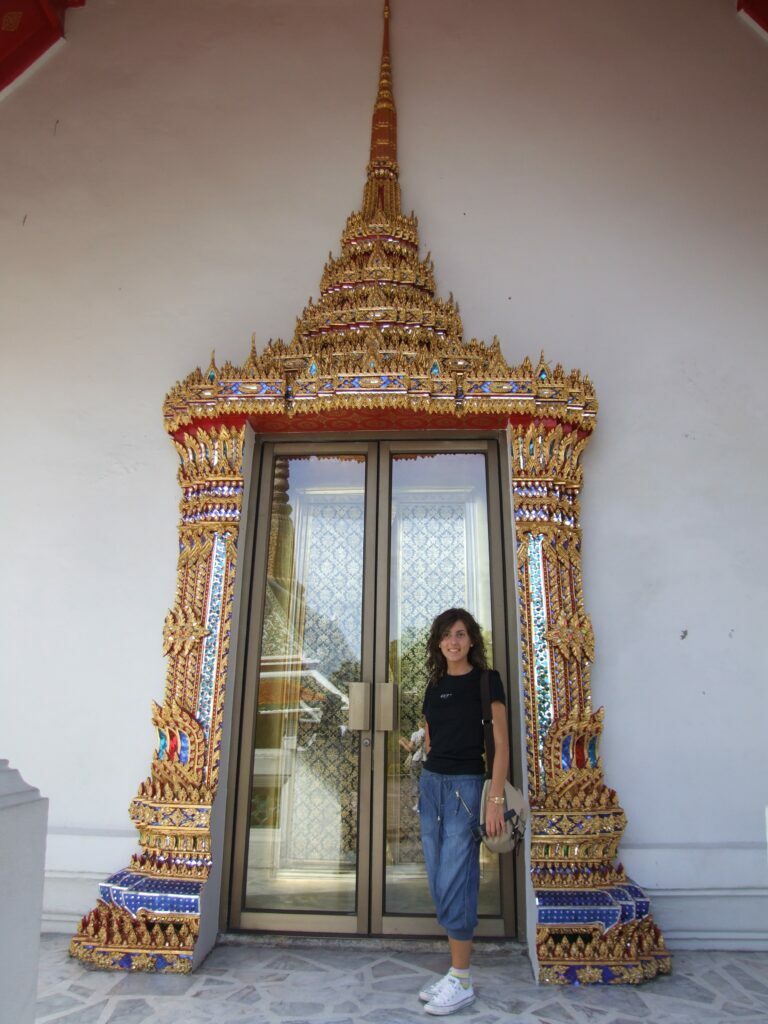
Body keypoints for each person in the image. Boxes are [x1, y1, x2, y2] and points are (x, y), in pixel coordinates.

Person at [417, 607, 509, 1016]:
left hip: (467, 789)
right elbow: (432, 739)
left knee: (457, 877)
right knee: (439, 878)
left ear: (472, 640)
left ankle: (462, 977)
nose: (453, 641)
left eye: (460, 634)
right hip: (431, 785)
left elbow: (501, 744)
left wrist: (495, 800)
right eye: (446, 635)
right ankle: (455, 975)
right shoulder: (434, 686)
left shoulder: (486, 682)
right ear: (438, 643)